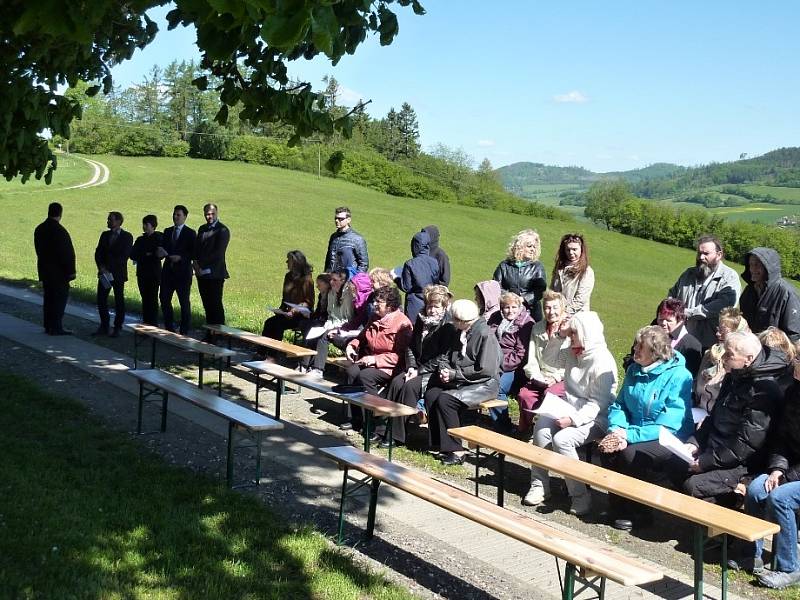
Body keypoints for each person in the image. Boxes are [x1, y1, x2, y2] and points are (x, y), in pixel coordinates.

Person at [598, 325, 694, 530]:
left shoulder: (679, 376)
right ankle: (617, 506)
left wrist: (628, 435)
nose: (634, 352)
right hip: (633, 429)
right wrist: (617, 429)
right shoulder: (634, 369)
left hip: (668, 436)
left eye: (639, 349)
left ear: (655, 352)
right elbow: (620, 405)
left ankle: (640, 511)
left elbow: (669, 424)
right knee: (609, 448)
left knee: (631, 455)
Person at [679, 331, 791, 505]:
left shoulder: (764, 391)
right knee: (675, 465)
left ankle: (736, 496)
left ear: (748, 358)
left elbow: (746, 444)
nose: (723, 357)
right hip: (718, 449)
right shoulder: (734, 377)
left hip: (742, 464)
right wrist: (694, 442)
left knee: (693, 485)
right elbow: (713, 418)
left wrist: (705, 462)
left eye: (730, 354)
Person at [525, 311, 618, 515]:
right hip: (570, 406)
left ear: (585, 334)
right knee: (541, 428)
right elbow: (549, 359)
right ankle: (539, 485)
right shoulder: (574, 350)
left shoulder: (602, 361)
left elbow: (598, 404)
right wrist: (560, 336)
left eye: (573, 333)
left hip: (598, 417)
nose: (570, 337)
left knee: (563, 439)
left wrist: (573, 420)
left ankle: (580, 495)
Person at [734, 342, 800, 588]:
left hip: (795, 476)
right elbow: (781, 438)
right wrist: (777, 469)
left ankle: (789, 568)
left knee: (781, 498)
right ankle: (752, 554)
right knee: (755, 490)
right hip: (788, 470)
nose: (795, 364)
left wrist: (785, 477)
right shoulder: (793, 392)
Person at [424, 299, 502, 466]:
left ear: (463, 321)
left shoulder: (485, 335)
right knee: (432, 394)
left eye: (454, 319)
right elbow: (446, 355)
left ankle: (457, 450)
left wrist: (454, 375)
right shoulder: (458, 331)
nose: (451, 322)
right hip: (462, 379)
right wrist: (444, 370)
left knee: (446, 400)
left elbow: (486, 370)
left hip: (484, 384)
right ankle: (440, 443)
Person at [385, 285, 455, 447]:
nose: (431, 310)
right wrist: (411, 366)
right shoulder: (420, 319)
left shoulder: (448, 325)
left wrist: (418, 371)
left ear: (444, 306)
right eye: (429, 305)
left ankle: (397, 435)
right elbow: (411, 347)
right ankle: (384, 427)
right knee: (396, 383)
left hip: (435, 371)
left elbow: (443, 357)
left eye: (436, 306)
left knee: (410, 387)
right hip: (417, 367)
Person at [343, 286, 413, 431]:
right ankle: (355, 418)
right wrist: (352, 345)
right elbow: (362, 336)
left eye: (379, 302)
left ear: (390, 306)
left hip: (391, 367)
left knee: (365, 376)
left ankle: (377, 422)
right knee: (351, 372)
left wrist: (375, 360)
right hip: (371, 360)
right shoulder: (375, 317)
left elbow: (401, 356)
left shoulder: (403, 324)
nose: (375, 304)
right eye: (375, 301)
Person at [668, 235, 741, 350]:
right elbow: (672, 295)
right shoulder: (688, 274)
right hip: (680, 340)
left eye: (706, 254)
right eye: (699, 253)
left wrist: (688, 313)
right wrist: (670, 310)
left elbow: (724, 306)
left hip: (709, 343)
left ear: (719, 255)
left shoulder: (729, 277)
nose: (701, 257)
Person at [516, 290, 572, 433]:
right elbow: (532, 358)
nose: (551, 312)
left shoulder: (571, 328)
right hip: (541, 375)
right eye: (547, 308)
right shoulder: (538, 328)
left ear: (562, 308)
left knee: (550, 395)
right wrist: (535, 375)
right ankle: (526, 429)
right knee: (524, 395)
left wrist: (556, 377)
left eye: (555, 307)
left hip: (563, 377)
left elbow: (574, 363)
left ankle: (545, 432)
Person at [487, 291, 533, 432]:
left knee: (497, 388)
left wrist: (500, 366)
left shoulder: (525, 323)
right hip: (492, 361)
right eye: (506, 307)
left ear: (520, 307)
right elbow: (487, 338)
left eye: (514, 307)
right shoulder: (496, 318)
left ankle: (503, 426)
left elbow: (520, 354)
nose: (510, 311)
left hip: (513, 367)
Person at [695, 307, 749, 415]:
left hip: (717, 419)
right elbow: (697, 385)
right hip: (698, 411)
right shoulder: (709, 354)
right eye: (718, 329)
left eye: (724, 332)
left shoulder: (737, 364)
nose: (718, 334)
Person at [33, 202, 76, 335]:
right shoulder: (60, 231)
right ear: (60, 214)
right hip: (59, 273)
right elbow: (67, 253)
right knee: (59, 299)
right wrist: (71, 271)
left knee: (48, 298)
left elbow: (38, 249)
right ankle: (56, 326)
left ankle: (48, 325)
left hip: (45, 269)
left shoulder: (40, 228)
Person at [740, 247, 800, 341]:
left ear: (769, 267)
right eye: (750, 264)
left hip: (775, 352)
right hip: (749, 347)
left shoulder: (786, 293)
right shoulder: (750, 290)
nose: (752, 269)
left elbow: (793, 335)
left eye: (757, 265)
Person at [304, 270, 354, 377]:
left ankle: (318, 369)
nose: (331, 282)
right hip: (331, 324)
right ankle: (304, 365)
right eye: (331, 279)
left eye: (335, 280)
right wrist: (328, 325)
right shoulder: (331, 293)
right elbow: (331, 314)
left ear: (343, 281)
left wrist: (334, 327)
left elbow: (349, 318)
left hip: (345, 327)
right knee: (313, 332)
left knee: (323, 336)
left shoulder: (348, 295)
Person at [262, 250, 315, 347]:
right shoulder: (288, 276)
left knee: (278, 325)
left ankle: (272, 355)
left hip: (301, 315)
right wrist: (281, 310)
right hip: (287, 313)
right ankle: (261, 351)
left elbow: (309, 302)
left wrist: (294, 311)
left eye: (288, 260)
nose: (286, 262)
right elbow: (285, 297)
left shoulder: (306, 279)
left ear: (295, 263)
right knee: (269, 323)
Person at [93, 211, 133, 337]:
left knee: (118, 300)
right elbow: (98, 252)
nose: (108, 221)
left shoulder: (127, 237)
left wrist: (108, 267)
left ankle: (117, 326)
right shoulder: (105, 235)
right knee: (101, 299)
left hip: (118, 274)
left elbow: (124, 256)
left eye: (111, 219)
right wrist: (101, 267)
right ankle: (104, 325)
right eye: (108, 219)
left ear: (118, 221)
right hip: (104, 273)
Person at [493, 229, 547, 322]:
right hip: (507, 311)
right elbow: (495, 286)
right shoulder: (505, 265)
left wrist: (523, 299)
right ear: (520, 246)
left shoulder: (537, 266)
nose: (532, 249)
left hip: (531, 313)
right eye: (529, 246)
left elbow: (540, 290)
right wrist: (510, 299)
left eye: (535, 247)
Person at [159, 205, 196, 335]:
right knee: (164, 299)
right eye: (174, 214)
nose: (175, 217)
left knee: (184, 303)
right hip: (168, 272)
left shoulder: (190, 233)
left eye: (178, 215)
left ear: (185, 217)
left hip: (183, 274)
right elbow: (163, 247)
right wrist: (161, 252)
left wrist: (181, 257)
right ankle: (169, 327)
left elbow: (193, 253)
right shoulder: (168, 231)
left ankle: (184, 331)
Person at [193, 202, 230, 328]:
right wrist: (195, 264)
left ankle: (219, 332)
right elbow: (197, 249)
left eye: (212, 214)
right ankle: (210, 332)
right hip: (201, 274)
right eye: (207, 214)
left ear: (217, 213)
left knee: (215, 304)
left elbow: (218, 253)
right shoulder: (202, 229)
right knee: (207, 304)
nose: (210, 216)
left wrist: (201, 264)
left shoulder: (223, 230)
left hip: (215, 274)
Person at [398, 230, 440, 324]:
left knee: (412, 329)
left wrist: (396, 278)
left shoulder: (410, 264)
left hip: (414, 303)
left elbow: (406, 287)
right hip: (430, 301)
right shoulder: (434, 262)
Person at [655, 298, 703, 378]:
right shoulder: (649, 333)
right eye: (661, 319)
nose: (663, 323)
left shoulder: (691, 345)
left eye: (668, 321)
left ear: (680, 321)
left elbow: (688, 377)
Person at [129, 214, 163, 326]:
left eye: (146, 224)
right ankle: (146, 322)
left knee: (152, 298)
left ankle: (153, 323)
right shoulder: (140, 239)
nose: (144, 226)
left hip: (153, 273)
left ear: (153, 225)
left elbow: (158, 255)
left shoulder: (158, 238)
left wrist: (145, 254)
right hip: (142, 273)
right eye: (143, 224)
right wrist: (147, 254)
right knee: (145, 298)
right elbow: (133, 254)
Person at [551, 233, 595, 316]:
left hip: (577, 317)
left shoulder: (586, 271)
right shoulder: (559, 268)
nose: (571, 252)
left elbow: (580, 299)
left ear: (581, 250)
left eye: (574, 249)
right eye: (568, 249)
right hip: (556, 315)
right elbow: (552, 291)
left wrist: (565, 313)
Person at [324, 206, 369, 273]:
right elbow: (329, 259)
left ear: (348, 220)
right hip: (331, 279)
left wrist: (354, 281)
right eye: (336, 218)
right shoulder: (333, 237)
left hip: (347, 280)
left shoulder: (357, 239)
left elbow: (364, 264)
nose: (337, 221)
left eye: (340, 219)